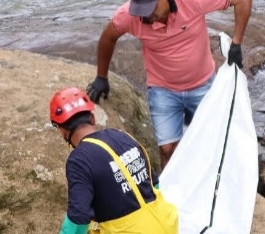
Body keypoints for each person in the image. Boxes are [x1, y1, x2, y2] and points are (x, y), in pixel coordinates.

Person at [86, 0, 252, 168]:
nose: (147, 15)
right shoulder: (130, 16)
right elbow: (108, 37)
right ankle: (170, 194)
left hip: (202, 85)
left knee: (210, 143)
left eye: (151, 8)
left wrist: (236, 44)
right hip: (162, 89)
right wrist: (101, 77)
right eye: (141, 10)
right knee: (167, 149)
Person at [51, 87, 179, 234]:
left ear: (62, 130)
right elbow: (154, 183)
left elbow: (79, 216)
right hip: (166, 222)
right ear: (92, 118)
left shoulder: (78, 160)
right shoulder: (122, 136)